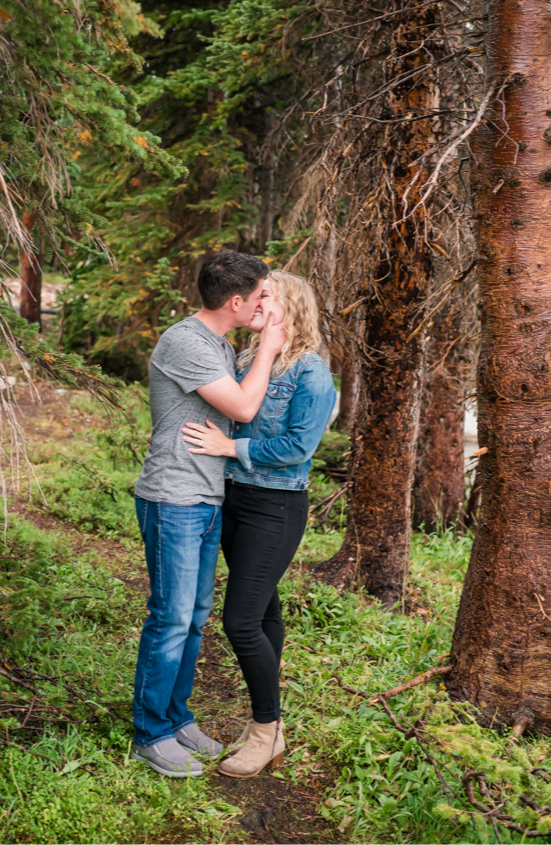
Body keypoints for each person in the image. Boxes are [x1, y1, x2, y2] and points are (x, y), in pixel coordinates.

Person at [128, 249, 288, 778]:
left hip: (205, 495)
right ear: (237, 301)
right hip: (173, 497)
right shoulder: (185, 341)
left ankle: (176, 718)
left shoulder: (216, 344)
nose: (268, 303)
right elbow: (242, 408)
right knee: (170, 618)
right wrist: (268, 347)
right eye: (262, 295)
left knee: (193, 619)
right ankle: (151, 733)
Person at [181, 270, 337, 778]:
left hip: (276, 507)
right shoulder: (247, 360)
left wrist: (232, 448)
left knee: (240, 621)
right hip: (233, 501)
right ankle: (266, 724)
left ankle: (266, 730)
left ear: (288, 308)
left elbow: (297, 447)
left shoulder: (311, 372)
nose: (252, 302)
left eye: (264, 296)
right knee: (265, 613)